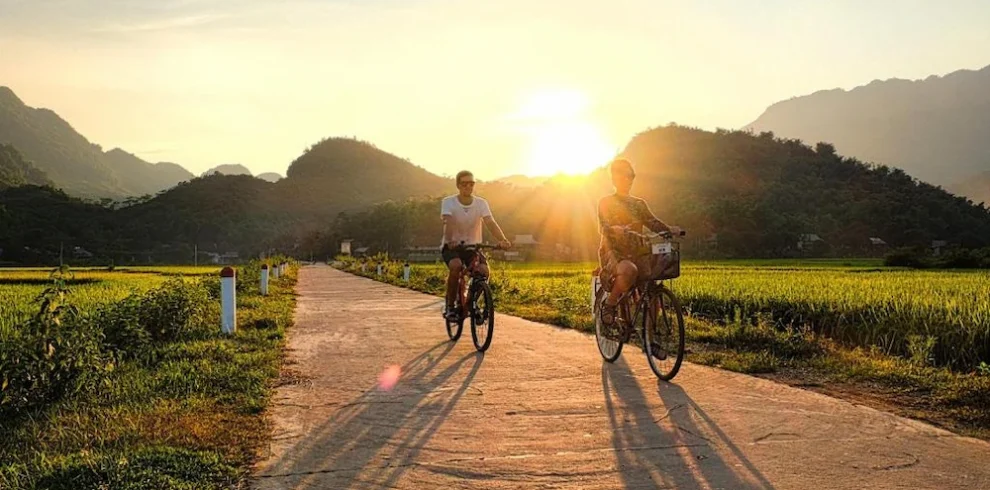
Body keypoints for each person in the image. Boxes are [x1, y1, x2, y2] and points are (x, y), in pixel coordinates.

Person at [597, 158, 680, 330]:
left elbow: (653, 222)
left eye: (630, 176)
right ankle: (610, 304)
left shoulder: (639, 204)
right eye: (622, 175)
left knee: (653, 293)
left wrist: (669, 229)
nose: (627, 179)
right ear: (613, 179)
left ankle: (650, 340)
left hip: (638, 252)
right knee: (629, 270)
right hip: (613, 252)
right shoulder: (606, 202)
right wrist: (614, 229)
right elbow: (603, 227)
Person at [441, 170, 511, 321]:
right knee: (456, 266)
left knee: (484, 271)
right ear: (458, 185)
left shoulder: (481, 203)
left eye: (471, 183)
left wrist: (502, 239)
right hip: (452, 247)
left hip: (473, 247)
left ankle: (470, 303)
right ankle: (450, 306)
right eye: (464, 183)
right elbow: (448, 222)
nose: (468, 186)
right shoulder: (449, 202)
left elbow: (490, 223)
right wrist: (450, 240)